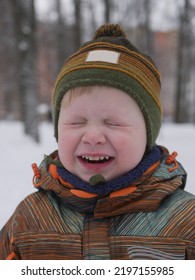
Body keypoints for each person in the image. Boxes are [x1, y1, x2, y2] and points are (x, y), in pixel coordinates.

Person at [0, 23, 195, 260]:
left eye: (113, 123)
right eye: (76, 122)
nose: (93, 137)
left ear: (148, 133)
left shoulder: (186, 222)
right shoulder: (29, 219)